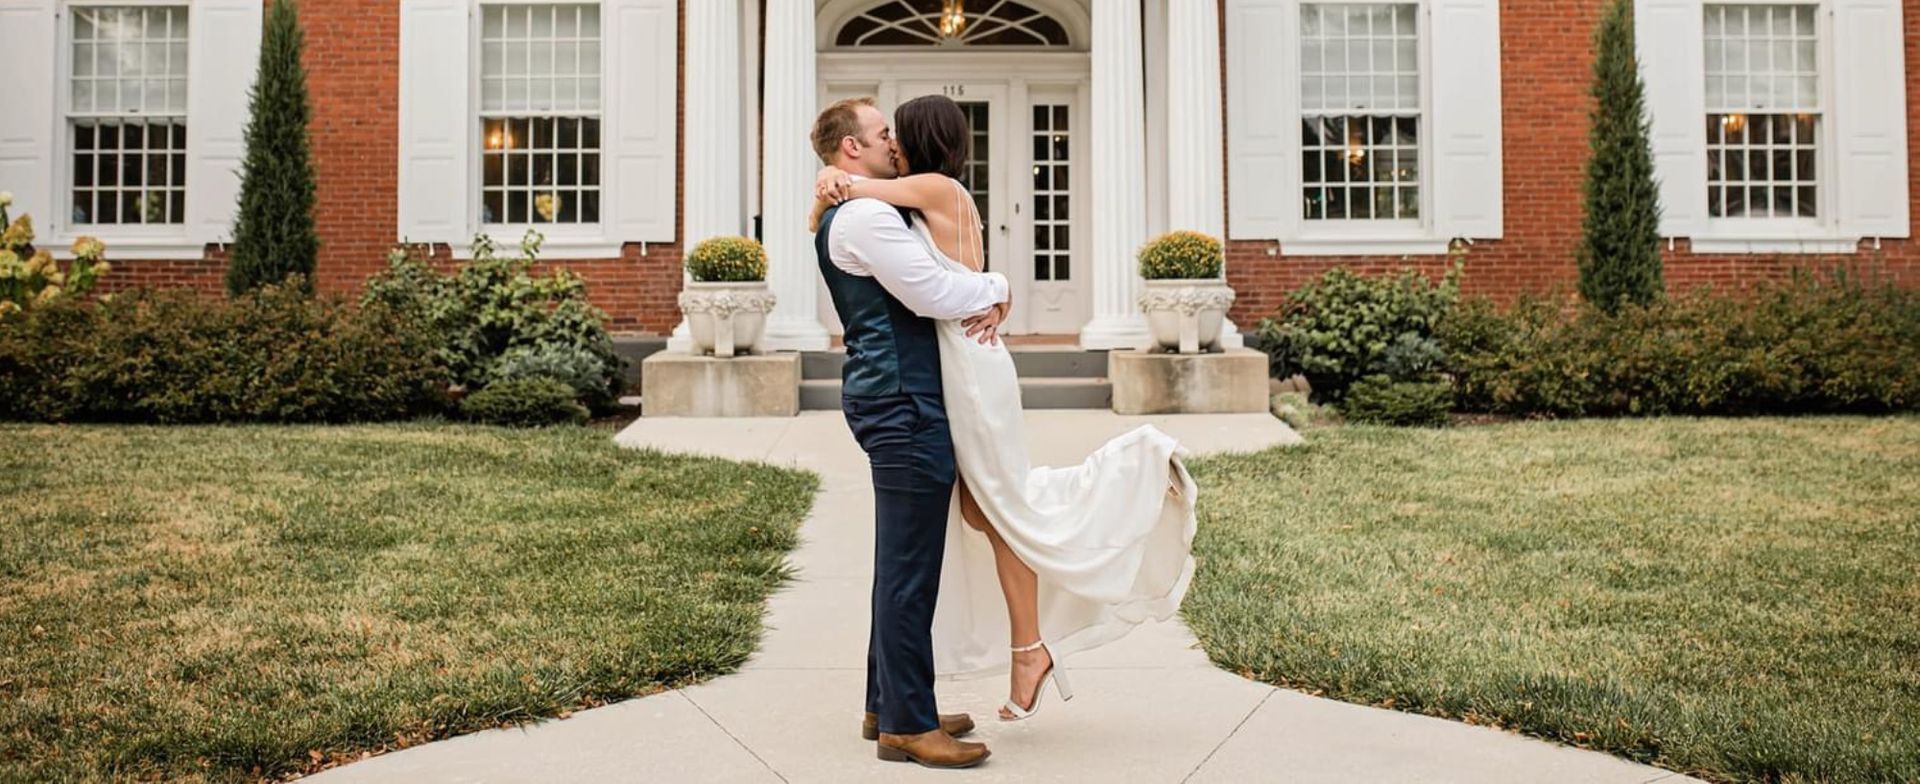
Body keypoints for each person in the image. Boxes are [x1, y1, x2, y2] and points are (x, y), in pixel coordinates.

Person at [810, 94, 1200, 766]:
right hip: (904, 401)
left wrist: (992, 284)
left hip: (915, 395)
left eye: (895, 134)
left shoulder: (880, 202)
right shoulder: (869, 214)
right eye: (880, 134)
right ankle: (906, 721)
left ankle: (893, 703)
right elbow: (934, 293)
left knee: (913, 555)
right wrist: (996, 285)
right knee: (912, 565)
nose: (891, 143)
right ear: (851, 148)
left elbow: (938, 278)